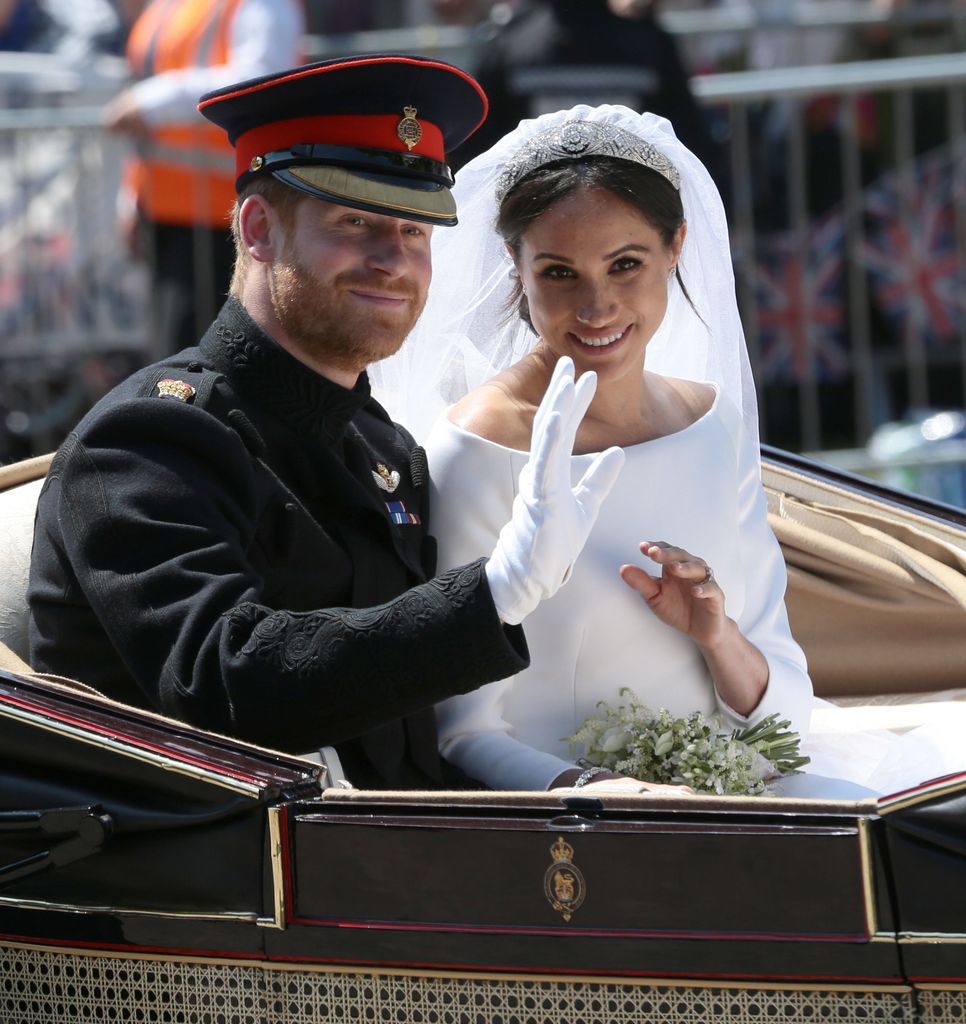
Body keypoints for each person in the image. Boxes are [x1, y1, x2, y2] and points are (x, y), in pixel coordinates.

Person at [27, 56, 625, 790]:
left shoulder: (382, 446)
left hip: (385, 861)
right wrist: (494, 592)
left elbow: (409, 739)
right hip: (218, 884)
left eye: (415, 231)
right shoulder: (149, 442)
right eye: (355, 221)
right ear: (258, 229)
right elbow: (227, 683)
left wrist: (570, 785)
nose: (393, 261)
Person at [373, 104, 965, 799]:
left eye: (626, 264)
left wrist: (719, 638)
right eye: (560, 273)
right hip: (573, 831)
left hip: (739, 792)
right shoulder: (478, 447)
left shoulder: (712, 424)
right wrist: (612, 796)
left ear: (677, 245)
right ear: (516, 265)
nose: (596, 308)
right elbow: (461, 731)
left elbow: (785, 709)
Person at [102, 0, 305, 358]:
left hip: (231, 222)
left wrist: (153, 102)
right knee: (175, 362)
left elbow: (262, 76)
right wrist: (131, 197)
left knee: (216, 365)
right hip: (169, 219)